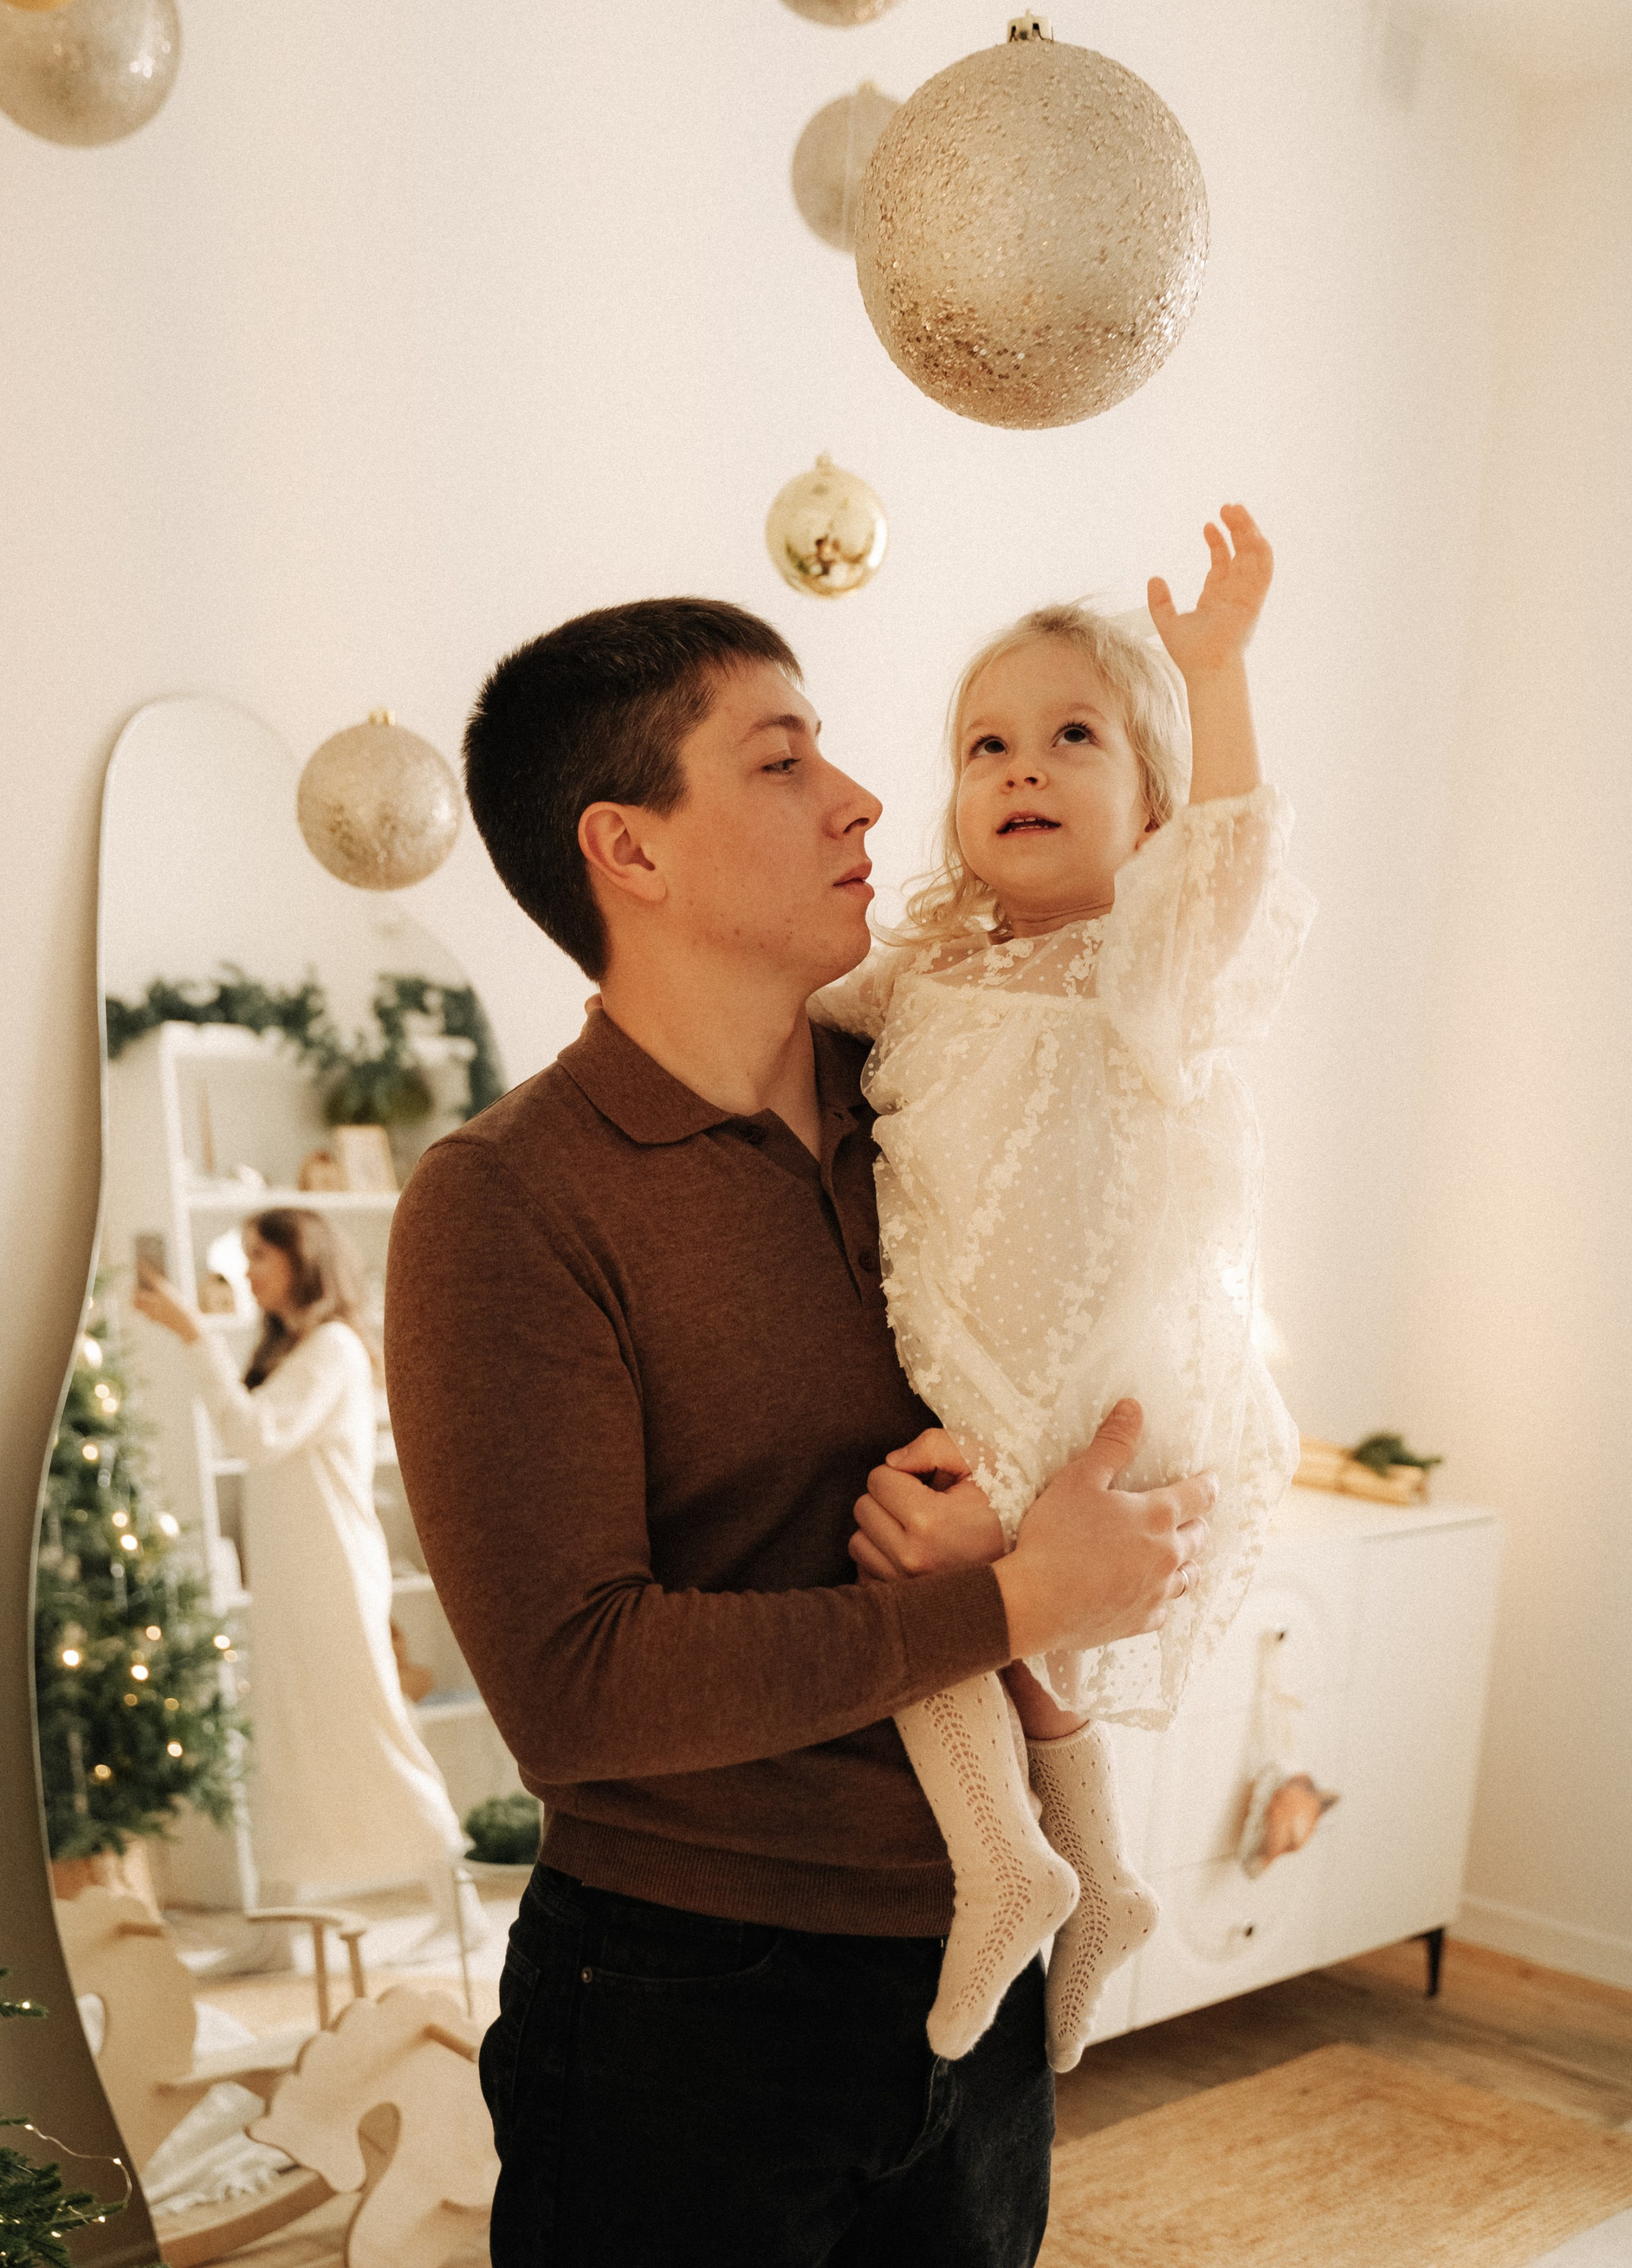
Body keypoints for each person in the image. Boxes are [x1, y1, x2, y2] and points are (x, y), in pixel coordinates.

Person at [383, 598, 1219, 2268]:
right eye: (783, 761)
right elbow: (574, 1689)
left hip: (982, 1982)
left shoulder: (946, 1077)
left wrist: (1096, 1551)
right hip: (686, 2011)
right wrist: (1010, 1603)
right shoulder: (506, 1202)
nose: (863, 798)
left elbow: (1145, 1335)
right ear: (629, 849)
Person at [810, 505, 1313, 2072]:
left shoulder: (1142, 962)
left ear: (1148, 800)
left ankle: (1011, 1866)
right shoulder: (924, 970)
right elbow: (789, 1004)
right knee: (976, 1610)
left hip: (1092, 1381)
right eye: (988, 747)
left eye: (1072, 738)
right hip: (968, 1353)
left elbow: (1228, 865)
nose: (1021, 769)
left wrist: (1212, 673)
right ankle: (1091, 1878)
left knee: (925, 1582)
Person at [134, 1208, 474, 1940]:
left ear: (303, 1260)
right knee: (284, 1743)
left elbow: (253, 1434)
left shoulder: (335, 1349)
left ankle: (460, 1911)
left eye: (261, 1254)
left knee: (375, 1729)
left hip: (331, 1580)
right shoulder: (297, 1351)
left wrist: (194, 1333)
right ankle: (276, 1937)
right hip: (293, 1582)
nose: (248, 1268)